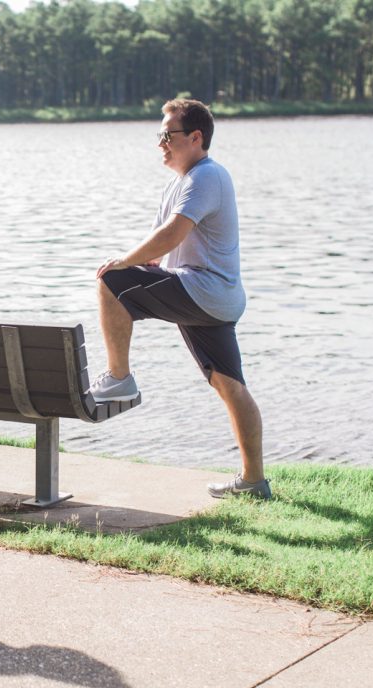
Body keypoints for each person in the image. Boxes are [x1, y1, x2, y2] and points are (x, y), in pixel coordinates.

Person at [91, 98, 269, 499]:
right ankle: (254, 482)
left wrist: (122, 263)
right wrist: (137, 263)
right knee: (230, 385)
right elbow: (159, 252)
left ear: (195, 137)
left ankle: (119, 379)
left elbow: (172, 235)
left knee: (111, 282)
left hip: (203, 290)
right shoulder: (179, 184)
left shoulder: (206, 176)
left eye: (167, 136)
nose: (160, 144)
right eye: (159, 135)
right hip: (214, 296)